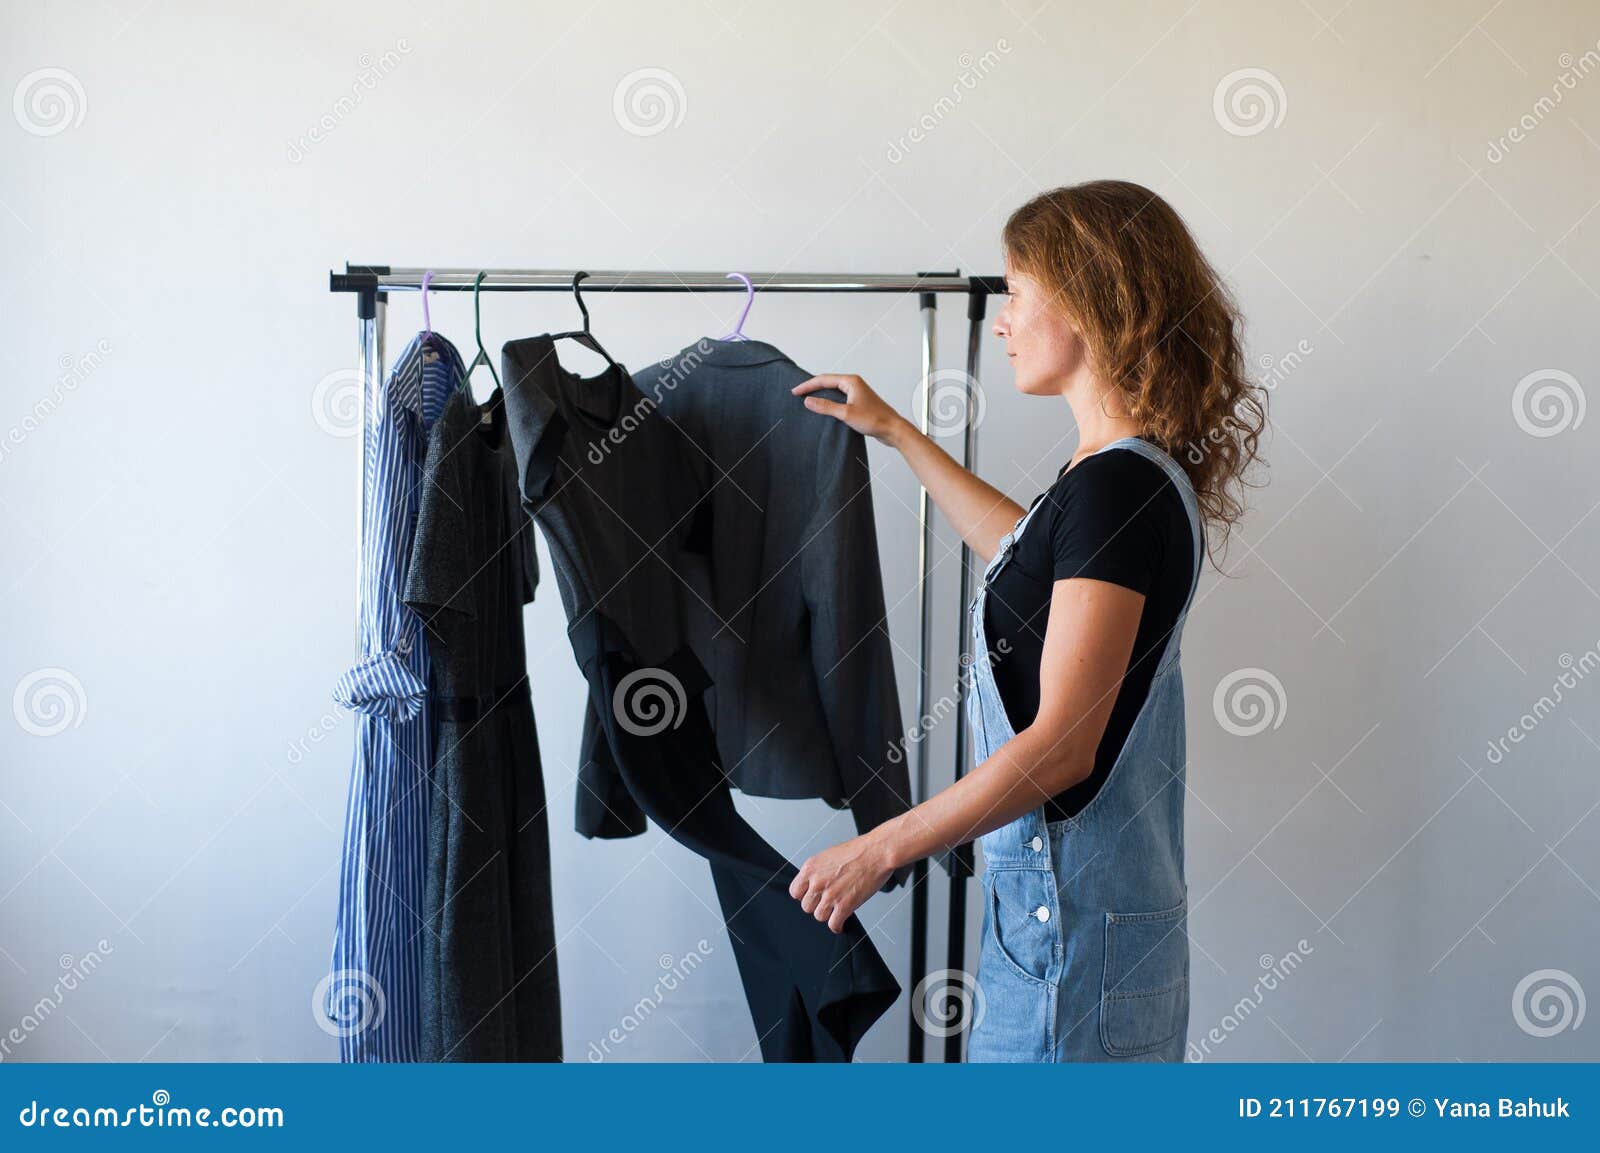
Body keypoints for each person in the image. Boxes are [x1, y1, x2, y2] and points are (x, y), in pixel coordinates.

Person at [787, 180, 1267, 1062]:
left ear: (1089, 300)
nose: (1002, 319)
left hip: (1071, 957)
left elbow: (1061, 747)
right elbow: (1026, 557)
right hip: (1089, 942)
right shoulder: (1124, 480)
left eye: (1014, 291)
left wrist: (880, 848)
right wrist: (895, 430)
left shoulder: (1114, 490)